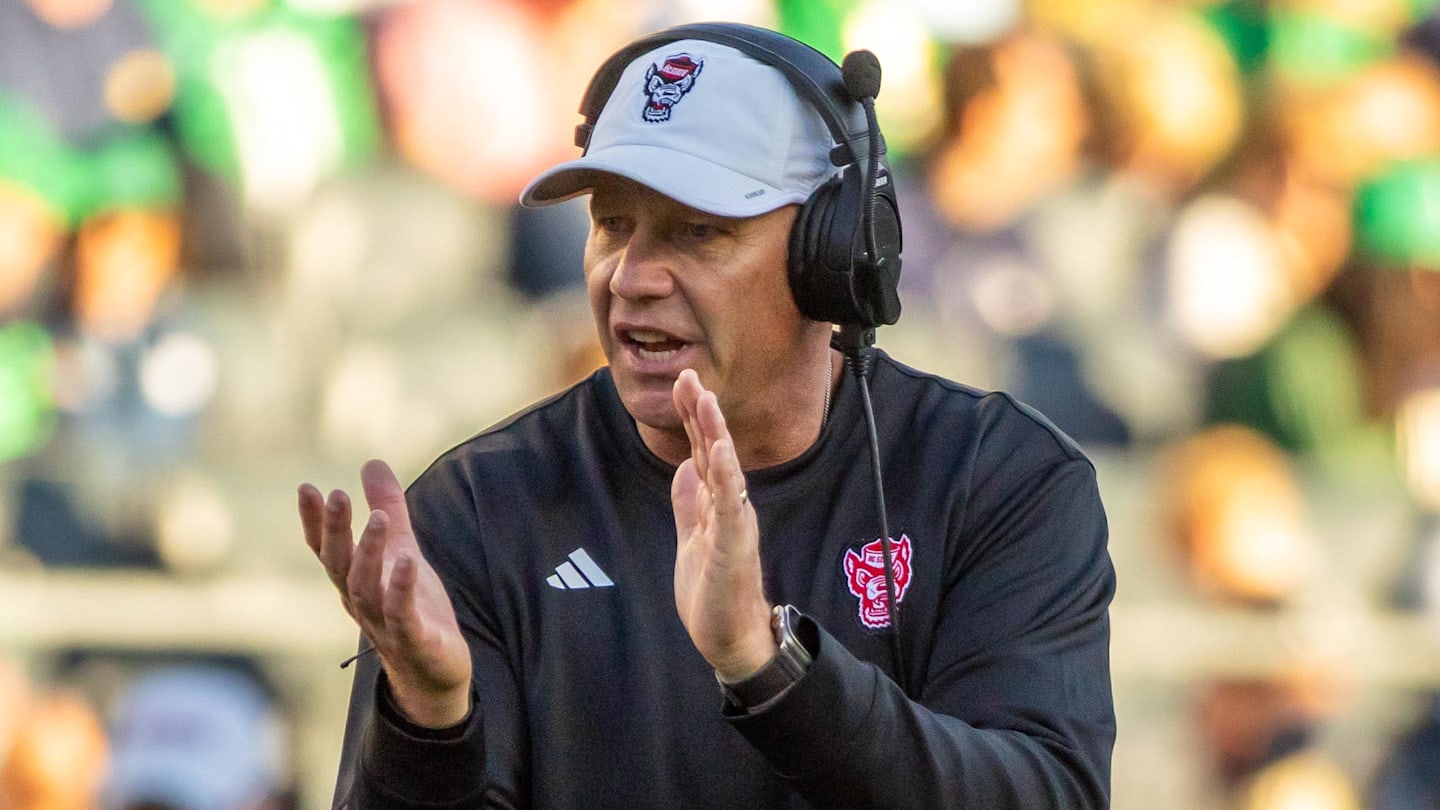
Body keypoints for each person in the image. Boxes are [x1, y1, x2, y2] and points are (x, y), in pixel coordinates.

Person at [298, 22, 1115, 809]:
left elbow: (1045, 792)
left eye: (697, 231)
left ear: (833, 255)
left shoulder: (999, 482)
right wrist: (430, 727)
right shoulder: (480, 509)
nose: (631, 277)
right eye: (612, 223)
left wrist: (770, 667)